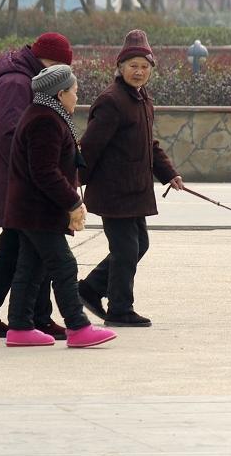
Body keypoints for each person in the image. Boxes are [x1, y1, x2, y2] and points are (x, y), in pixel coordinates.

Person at [0, 32, 74, 340]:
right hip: (20, 185)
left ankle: (19, 317)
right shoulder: (17, 82)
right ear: (47, 61)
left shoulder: (26, 78)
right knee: (24, 249)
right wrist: (39, 172)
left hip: (22, 183)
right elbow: (8, 135)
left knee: (22, 249)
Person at [3, 64, 117, 349]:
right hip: (38, 210)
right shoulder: (45, 121)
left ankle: (19, 327)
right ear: (60, 93)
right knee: (64, 265)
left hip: (32, 209)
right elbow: (44, 172)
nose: (77, 97)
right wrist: (73, 201)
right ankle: (78, 327)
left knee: (31, 267)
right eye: (75, 91)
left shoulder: (46, 115)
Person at [78, 30, 184, 328]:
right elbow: (90, 146)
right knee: (125, 249)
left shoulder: (141, 99)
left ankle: (88, 289)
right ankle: (120, 310)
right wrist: (73, 184)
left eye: (144, 66)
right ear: (120, 68)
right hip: (114, 190)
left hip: (135, 189)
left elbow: (149, 143)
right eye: (133, 65)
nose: (139, 71)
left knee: (139, 245)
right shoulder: (111, 101)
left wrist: (168, 174)